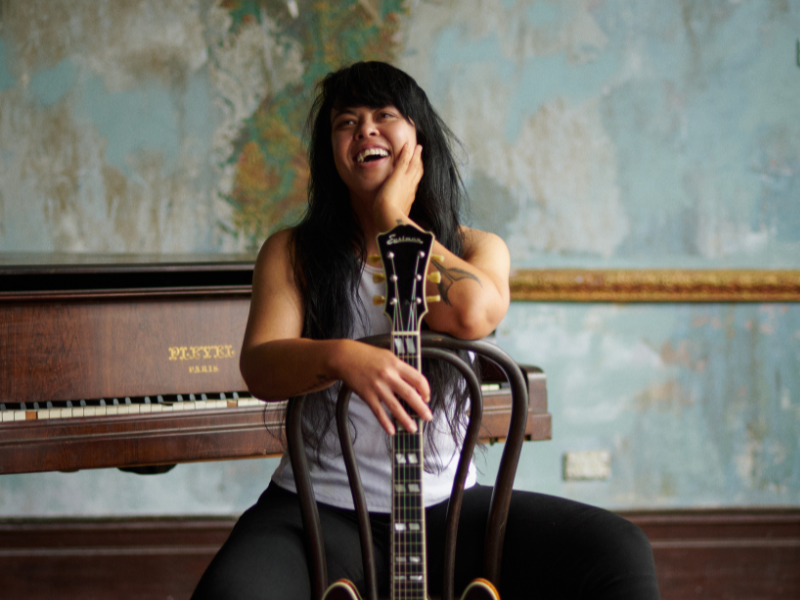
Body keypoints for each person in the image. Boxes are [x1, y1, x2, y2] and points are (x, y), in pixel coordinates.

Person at [192, 61, 660, 600]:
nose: (364, 130)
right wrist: (344, 357)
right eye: (346, 122)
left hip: (449, 511)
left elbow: (471, 315)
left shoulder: (476, 248)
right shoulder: (292, 252)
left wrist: (394, 218)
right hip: (319, 509)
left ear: (419, 139)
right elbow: (262, 367)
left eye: (383, 115)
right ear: (332, 154)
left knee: (620, 550)